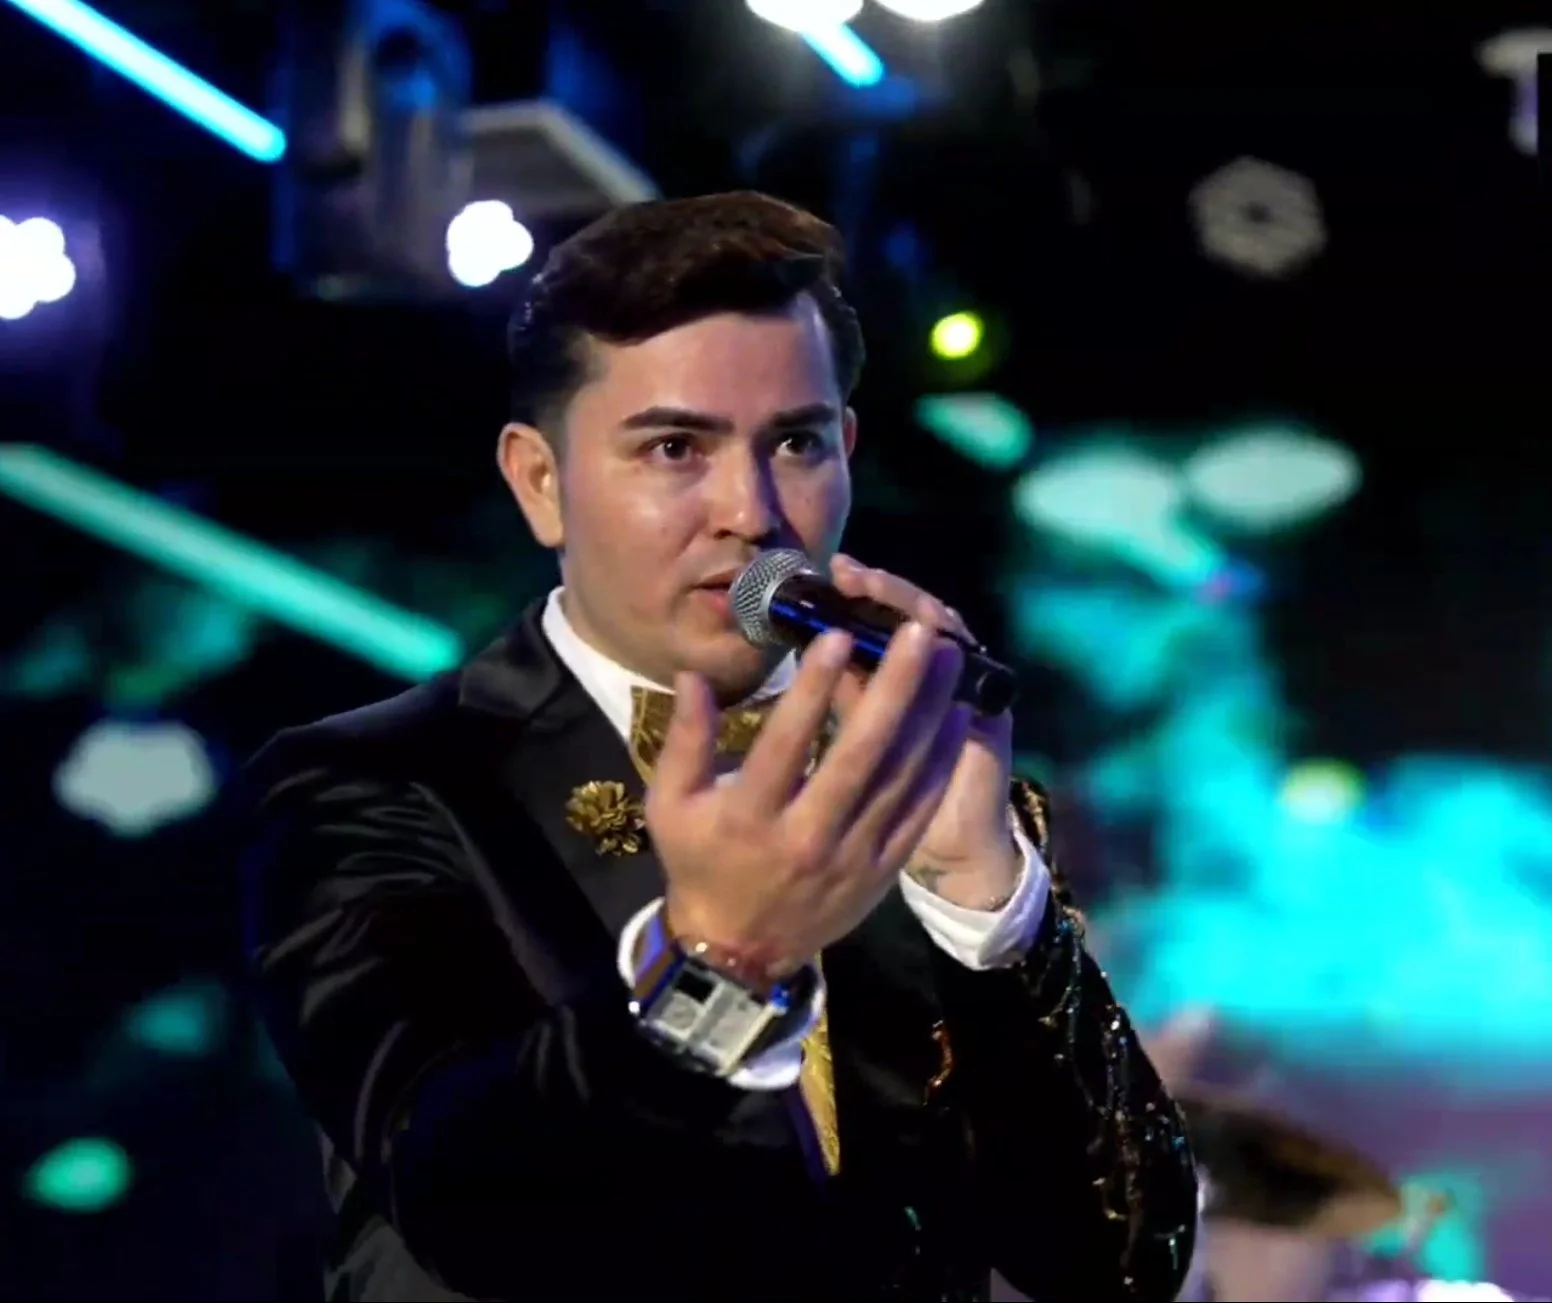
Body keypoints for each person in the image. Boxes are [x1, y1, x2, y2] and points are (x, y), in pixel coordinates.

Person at [238, 191, 1198, 1302]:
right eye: (674, 448)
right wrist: (718, 964)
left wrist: (984, 891)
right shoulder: (375, 783)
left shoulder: (906, 784)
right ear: (539, 481)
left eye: (792, 442)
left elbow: (1122, 1263)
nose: (750, 510)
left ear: (845, 448)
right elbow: (470, 1205)